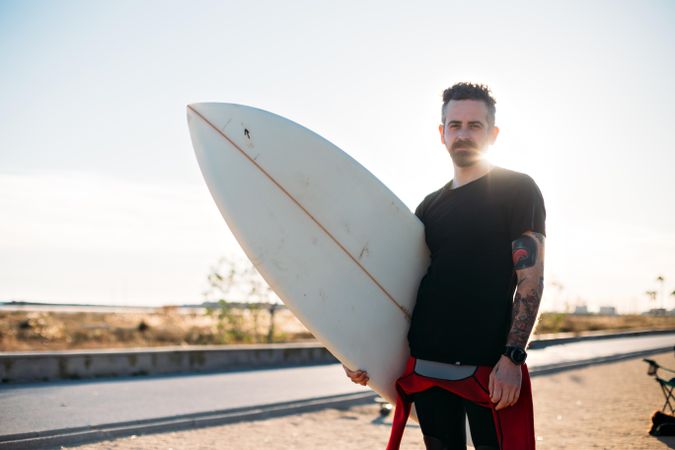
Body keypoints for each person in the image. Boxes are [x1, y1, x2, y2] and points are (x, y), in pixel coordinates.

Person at [344, 82, 546, 450]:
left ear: (493, 134)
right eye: (454, 125)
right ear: (442, 133)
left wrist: (513, 357)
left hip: (488, 366)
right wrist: (364, 353)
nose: (463, 134)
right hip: (426, 363)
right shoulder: (428, 207)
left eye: (474, 125)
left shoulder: (518, 189)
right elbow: (397, 285)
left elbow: (530, 282)